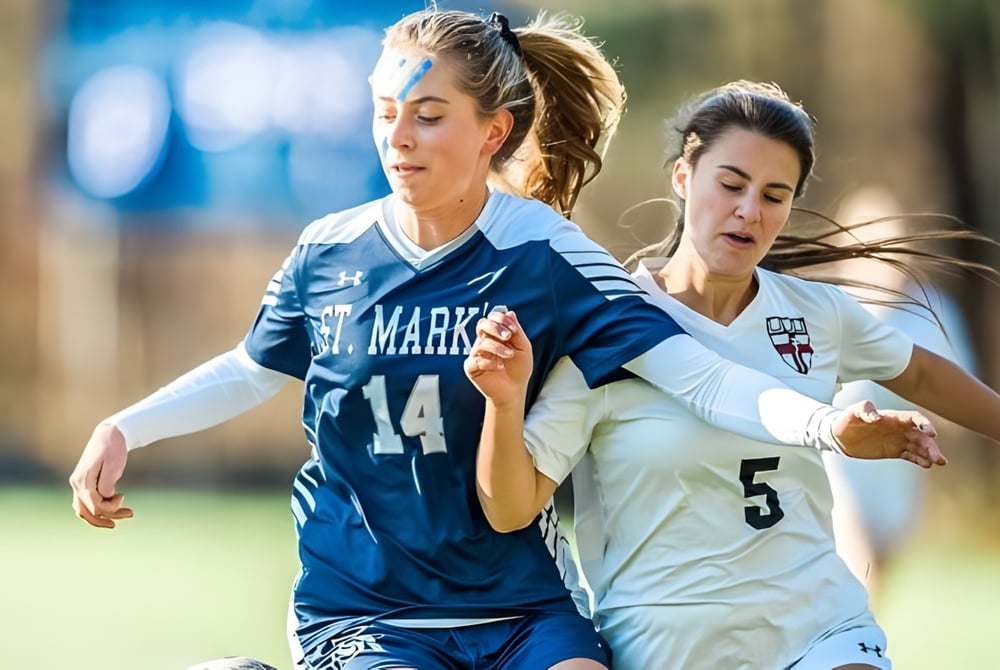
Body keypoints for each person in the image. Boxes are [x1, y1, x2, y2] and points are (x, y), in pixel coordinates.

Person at [70, 11, 940, 669]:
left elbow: (704, 377)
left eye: (428, 114)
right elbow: (251, 368)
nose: (397, 136)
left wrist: (826, 426)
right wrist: (123, 428)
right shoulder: (328, 251)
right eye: (386, 111)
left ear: (494, 131)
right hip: (369, 611)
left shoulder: (550, 257)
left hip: (522, 609)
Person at [466, 80, 1000, 670]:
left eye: (775, 195)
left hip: (818, 627)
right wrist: (504, 403)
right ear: (683, 177)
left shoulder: (818, 314)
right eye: (731, 185)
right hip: (666, 646)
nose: (750, 211)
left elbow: (920, 373)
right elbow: (510, 508)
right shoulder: (607, 327)